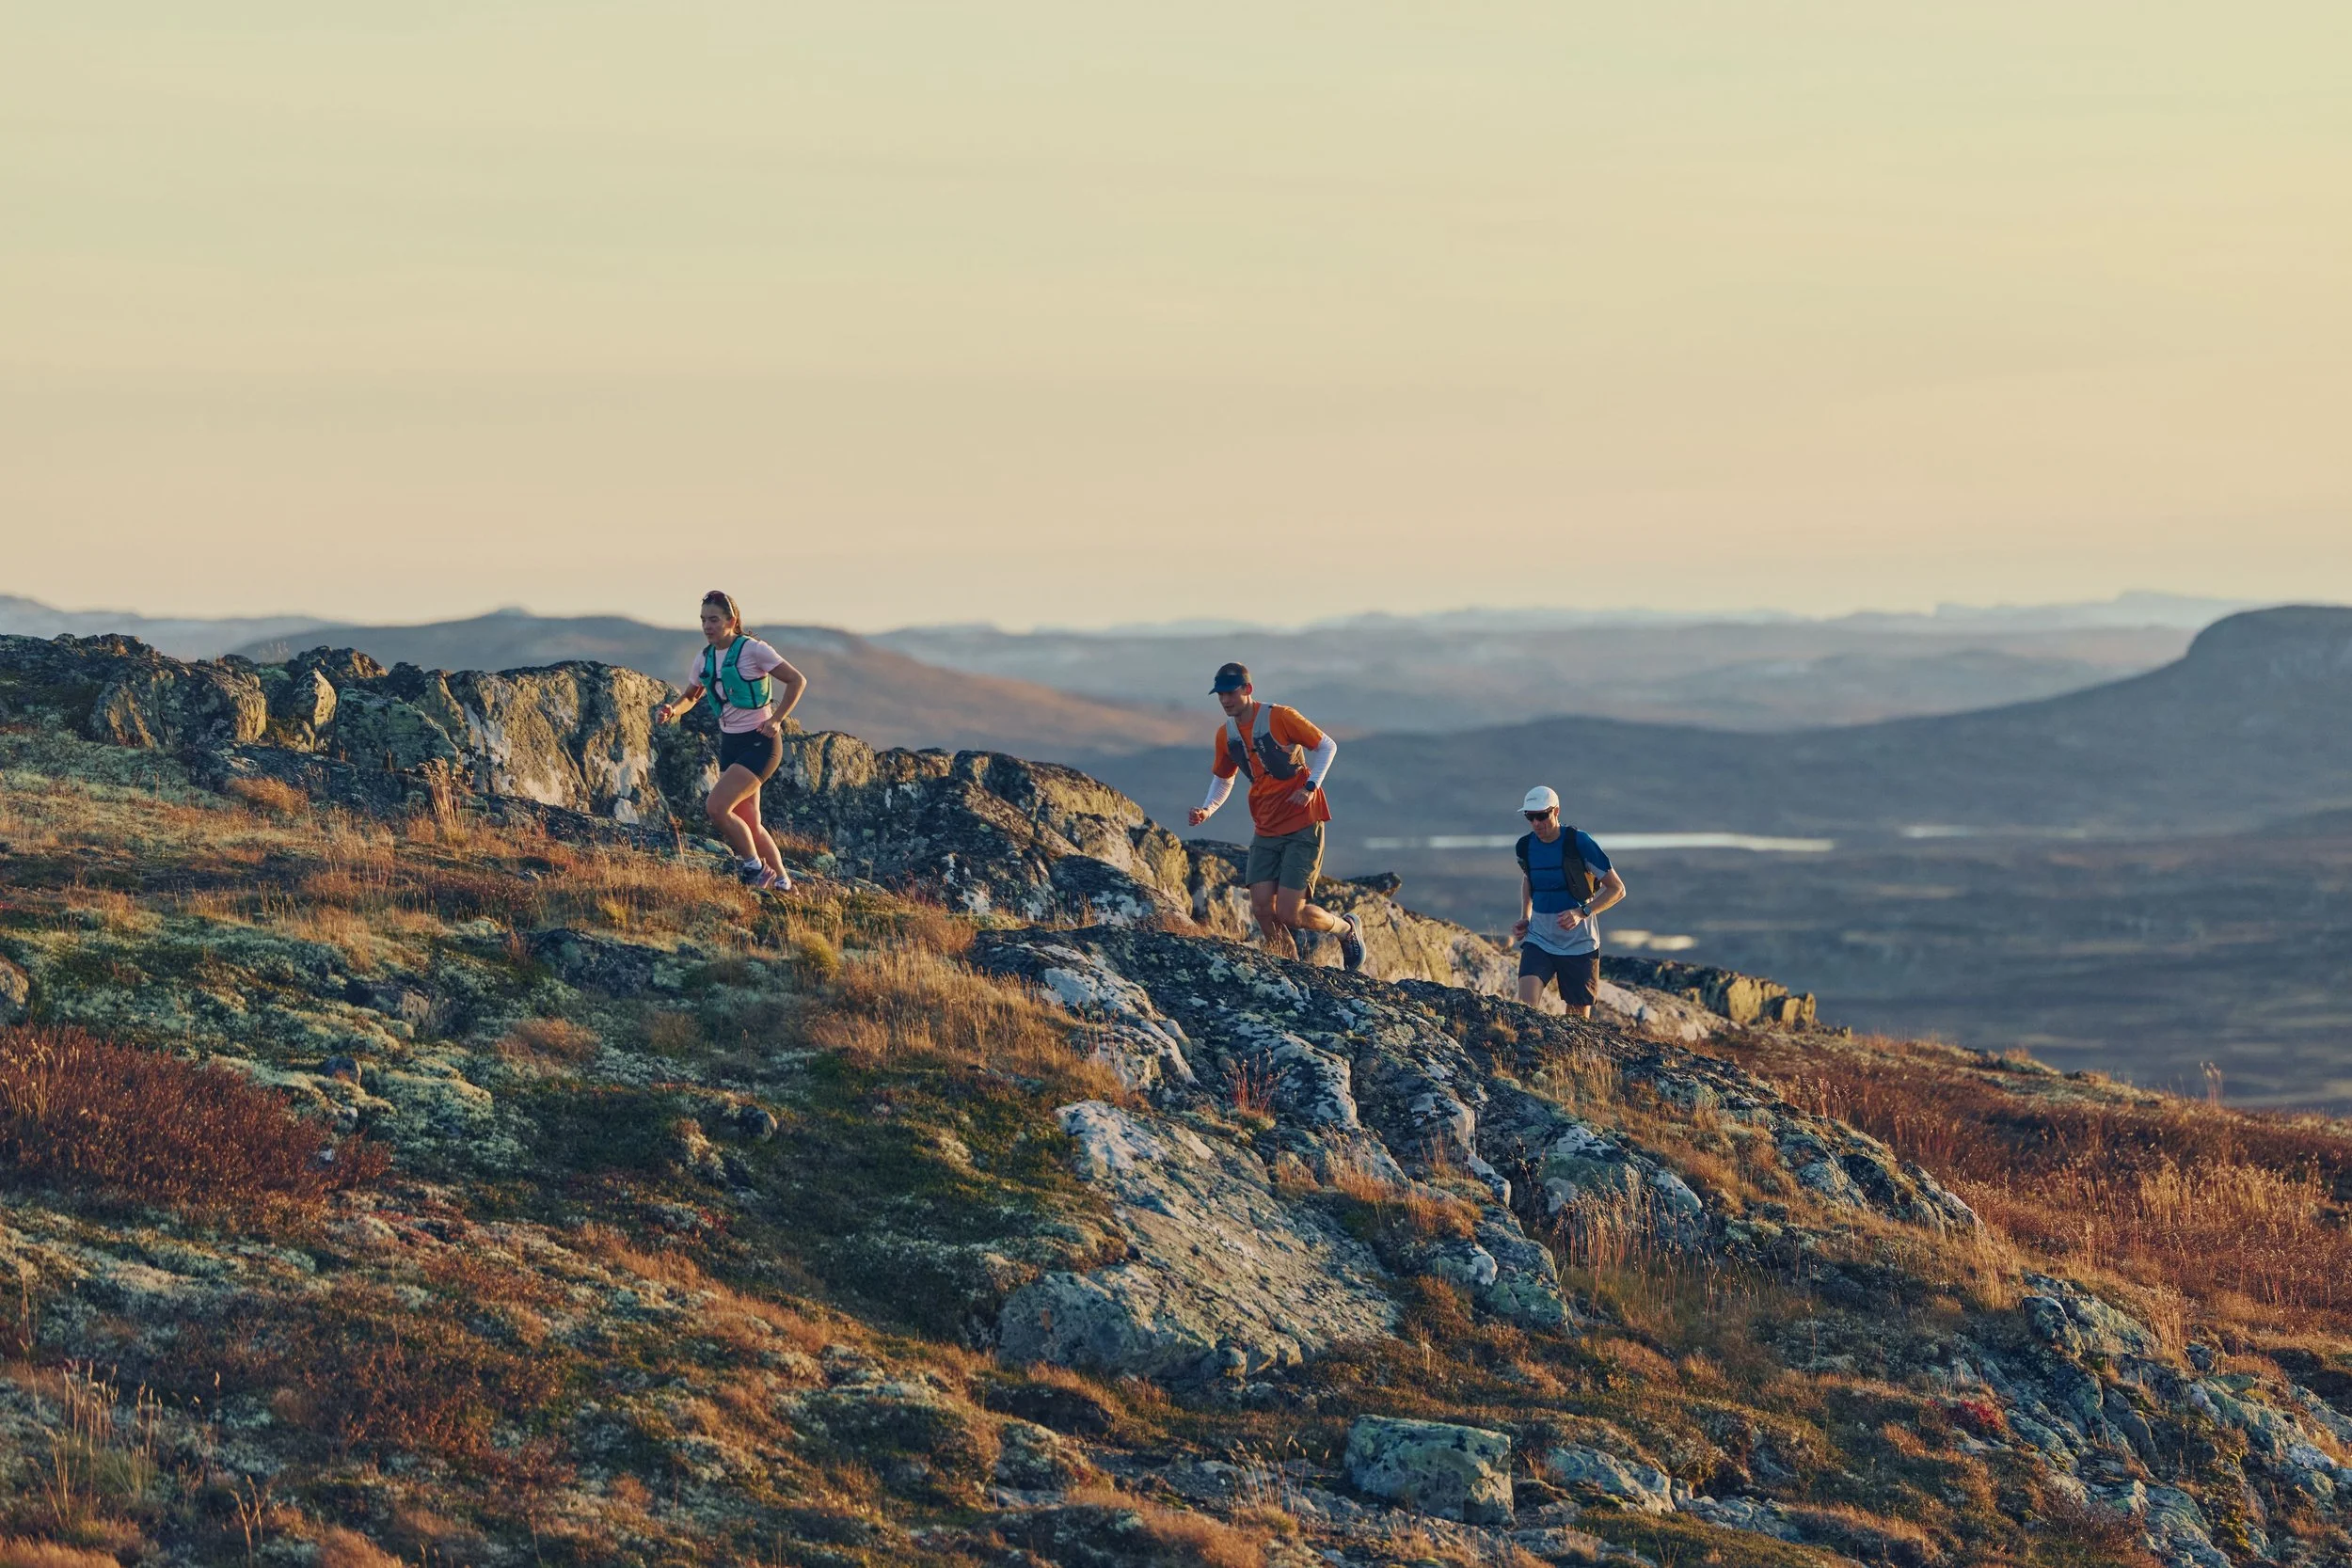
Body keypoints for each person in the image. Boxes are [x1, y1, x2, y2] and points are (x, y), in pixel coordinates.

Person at [1187, 662, 1365, 970]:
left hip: (1302, 821)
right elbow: (1224, 778)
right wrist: (1207, 808)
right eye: (1221, 695)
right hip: (1266, 826)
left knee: (1290, 913)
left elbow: (1326, 746)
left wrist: (1310, 786)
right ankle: (1291, 970)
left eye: (1231, 693)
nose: (1225, 700)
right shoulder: (1226, 735)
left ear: (1248, 690)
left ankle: (1346, 929)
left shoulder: (1280, 717)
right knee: (1261, 909)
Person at [653, 591, 808, 891]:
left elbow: (796, 680)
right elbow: (691, 696)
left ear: (731, 621)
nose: (707, 626)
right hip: (731, 744)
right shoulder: (704, 659)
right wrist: (673, 710)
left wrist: (776, 719)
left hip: (760, 744)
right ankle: (784, 885)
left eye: (713, 619)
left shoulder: (754, 650)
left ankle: (754, 868)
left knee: (716, 807)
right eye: (703, 620)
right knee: (749, 823)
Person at [1510, 785, 1627, 1018]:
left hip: (1579, 943)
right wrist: (1526, 916)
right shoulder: (1524, 846)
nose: (1536, 823)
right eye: (1529, 817)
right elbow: (1528, 879)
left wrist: (1582, 912)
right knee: (1525, 1012)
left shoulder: (1579, 843)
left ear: (1556, 811)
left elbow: (1617, 889)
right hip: (1539, 938)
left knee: (1576, 1024)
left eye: (1541, 816)